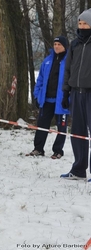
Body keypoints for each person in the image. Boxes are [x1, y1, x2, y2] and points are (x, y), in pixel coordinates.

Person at [26, 36, 69, 159]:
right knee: (42, 125)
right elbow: (40, 79)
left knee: (61, 127)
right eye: (55, 44)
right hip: (46, 101)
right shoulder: (47, 61)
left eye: (59, 44)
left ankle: (58, 150)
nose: (56, 46)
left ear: (64, 46)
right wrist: (37, 95)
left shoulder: (69, 61)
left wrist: (69, 98)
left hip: (61, 102)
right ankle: (38, 149)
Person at [61, 8, 91, 181]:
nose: (82, 26)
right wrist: (66, 91)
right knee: (78, 132)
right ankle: (79, 169)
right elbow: (68, 70)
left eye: (85, 23)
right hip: (76, 93)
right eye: (80, 23)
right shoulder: (74, 44)